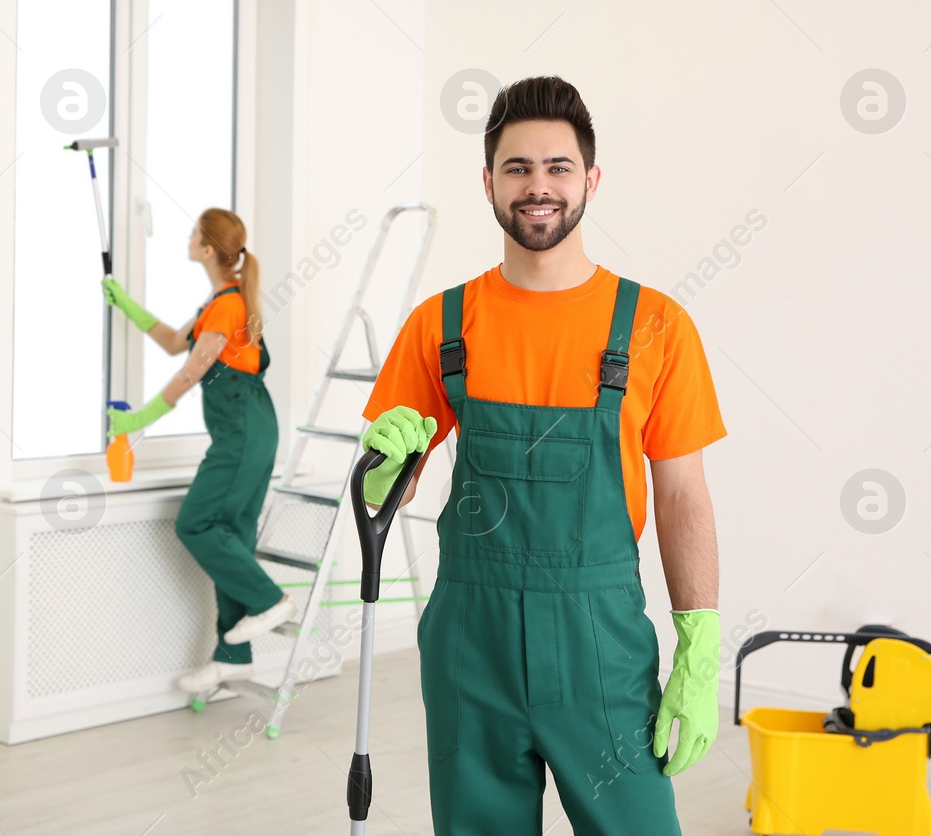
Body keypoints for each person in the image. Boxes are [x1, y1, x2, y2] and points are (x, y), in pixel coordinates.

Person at [360, 77, 726, 835]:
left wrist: (699, 637)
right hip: (471, 639)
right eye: (517, 167)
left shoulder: (657, 325)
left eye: (558, 167)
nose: (538, 186)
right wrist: (383, 460)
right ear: (488, 181)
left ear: (590, 179)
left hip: (601, 642)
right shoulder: (440, 324)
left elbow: (683, 493)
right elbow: (377, 499)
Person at [103, 207, 297, 693]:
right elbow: (173, 342)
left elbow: (190, 373)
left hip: (243, 435)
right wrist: (125, 304)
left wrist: (137, 422)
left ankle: (271, 601)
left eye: (195, 234)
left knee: (197, 523)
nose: (189, 239)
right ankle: (233, 656)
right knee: (229, 533)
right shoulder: (221, 300)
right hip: (250, 431)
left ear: (208, 249)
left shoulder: (229, 305)